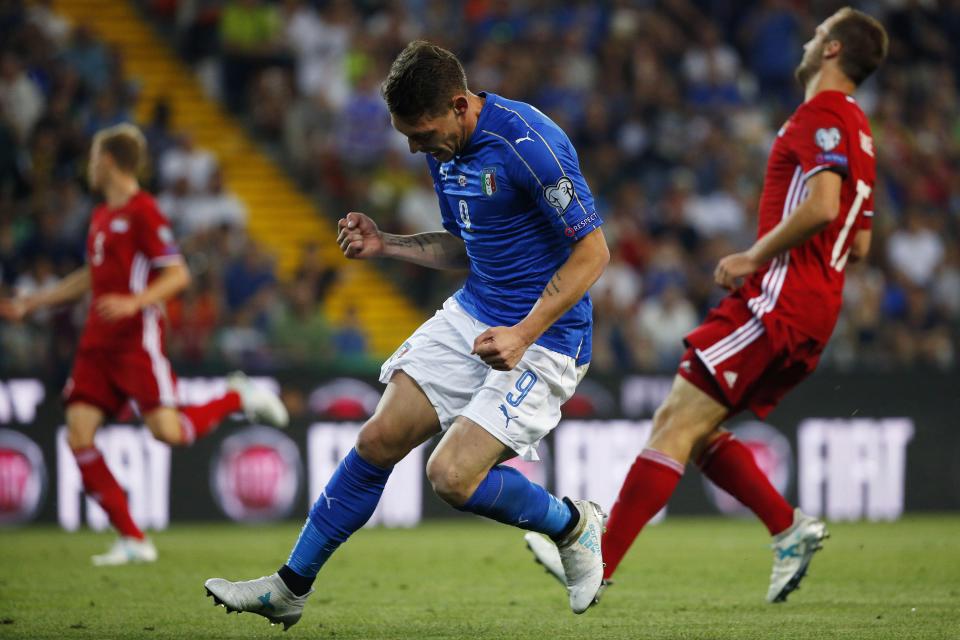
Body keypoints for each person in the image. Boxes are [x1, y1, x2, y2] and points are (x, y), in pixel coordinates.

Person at [204, 40, 610, 629]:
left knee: (450, 477)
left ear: (457, 103)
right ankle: (289, 588)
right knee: (378, 438)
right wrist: (387, 244)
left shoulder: (529, 144)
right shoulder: (444, 147)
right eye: (408, 137)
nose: (417, 148)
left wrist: (523, 332)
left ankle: (574, 526)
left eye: (421, 133)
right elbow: (464, 245)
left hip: (546, 338)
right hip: (476, 313)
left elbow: (593, 251)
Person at [525, 7, 888, 608]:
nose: (807, 39)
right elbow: (862, 242)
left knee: (675, 421)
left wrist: (755, 256)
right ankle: (786, 527)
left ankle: (597, 559)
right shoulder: (860, 131)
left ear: (833, 51)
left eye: (818, 33)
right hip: (815, 305)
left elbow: (824, 207)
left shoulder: (822, 114)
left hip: (779, 297)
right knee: (695, 428)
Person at [0, 123, 288, 565]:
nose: (90, 167)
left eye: (95, 158)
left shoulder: (143, 211)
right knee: (79, 436)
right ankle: (133, 538)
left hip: (137, 341)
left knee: (167, 432)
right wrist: (36, 302)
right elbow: (92, 277)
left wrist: (135, 302)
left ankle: (236, 396)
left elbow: (177, 274)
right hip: (97, 343)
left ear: (109, 161)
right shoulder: (100, 217)